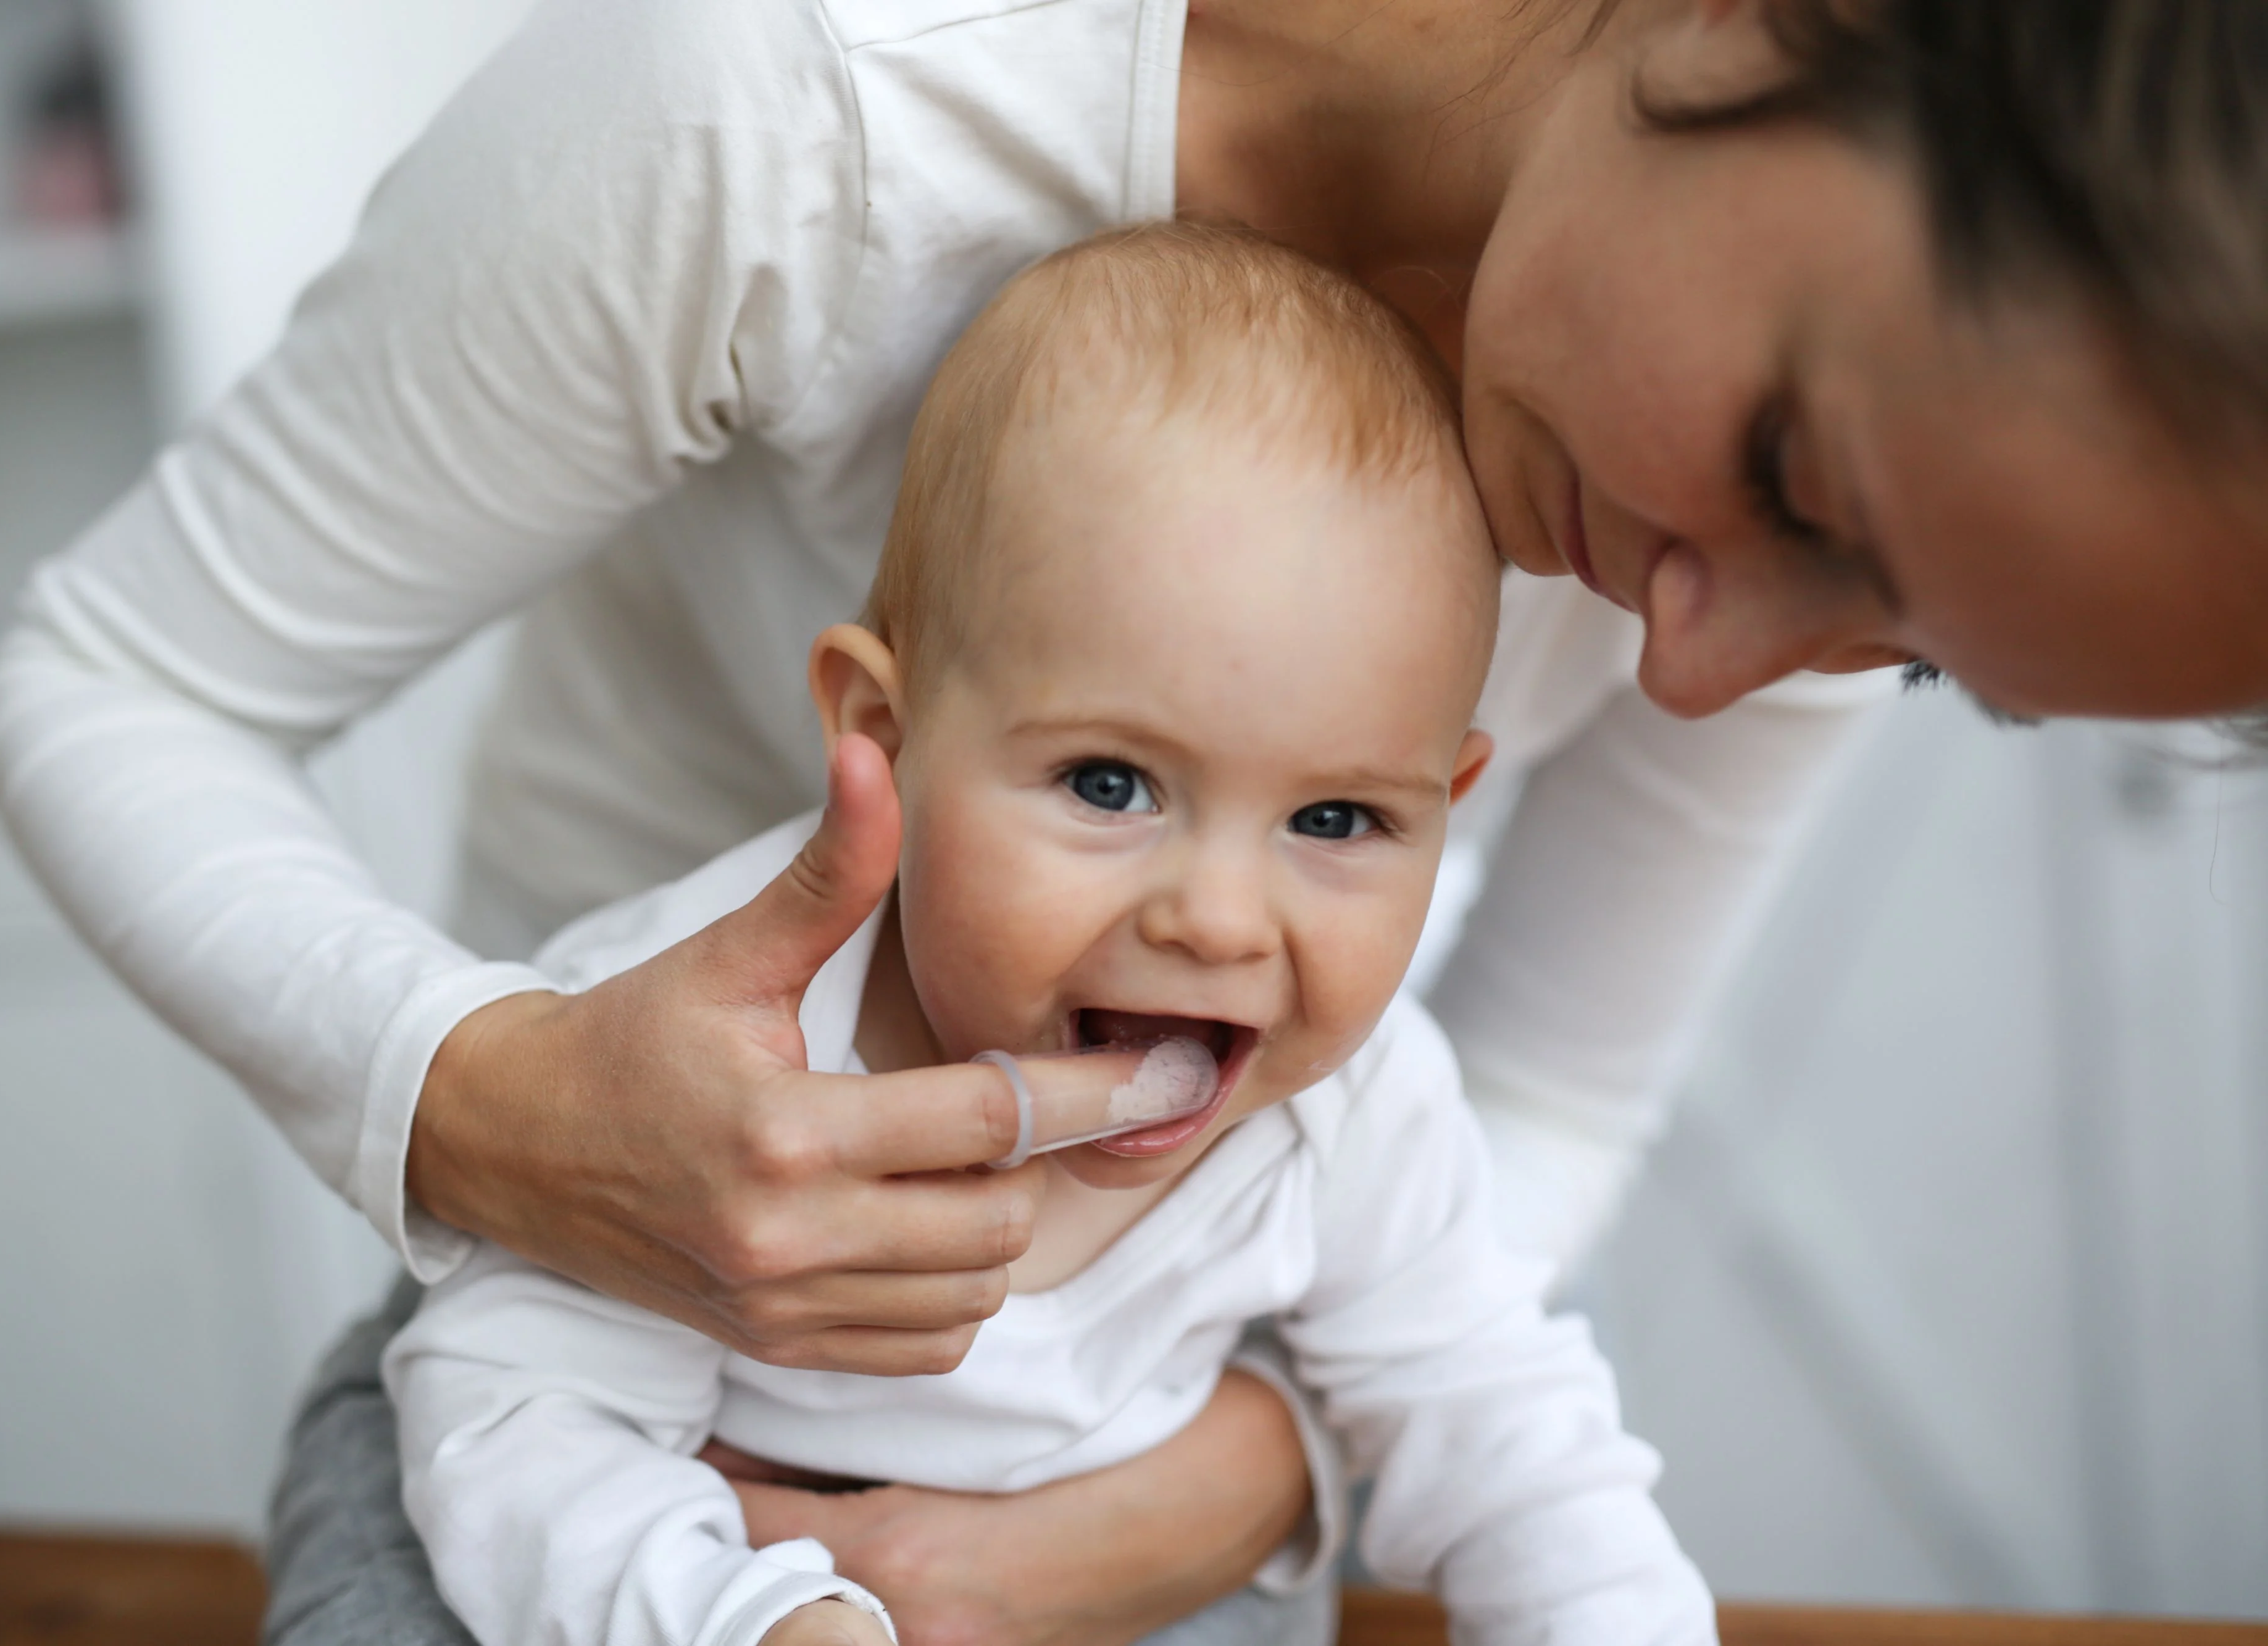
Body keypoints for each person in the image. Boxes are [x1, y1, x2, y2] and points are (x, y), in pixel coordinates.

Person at [0, 1, 2268, 1640]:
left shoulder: (1781, 595)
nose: (1695, 669)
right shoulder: (800, 112)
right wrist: (486, 1107)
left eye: (1916, 649)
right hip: (598, 1312)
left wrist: (1202, 1501)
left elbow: (1540, 1130)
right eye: (1794, 480)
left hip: (1162, 1427)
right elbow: (117, 683)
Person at [387, 220, 1712, 1646]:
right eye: (1108, 785)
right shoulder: (704, 1051)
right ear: (885, 740)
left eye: (1333, 820)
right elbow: (513, 1429)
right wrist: (759, 1621)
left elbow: (1509, 1433)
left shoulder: (1359, 1109)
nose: (1215, 920)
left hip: (1142, 1579)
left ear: (1446, 804)